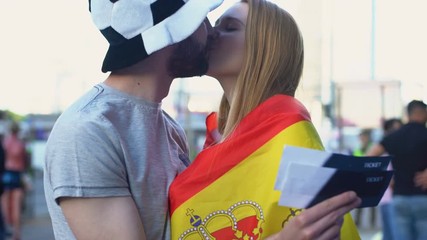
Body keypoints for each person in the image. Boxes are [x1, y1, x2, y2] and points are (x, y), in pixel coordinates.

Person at [169, 1, 360, 239]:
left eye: (230, 27)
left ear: (265, 48)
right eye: (215, 24)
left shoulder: (289, 130)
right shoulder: (215, 139)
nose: (210, 33)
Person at [44, 1, 223, 239]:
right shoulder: (88, 131)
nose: (210, 31)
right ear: (168, 34)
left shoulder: (171, 129)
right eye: (200, 19)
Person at [368, 100, 427, 240]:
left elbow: (369, 158)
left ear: (408, 114)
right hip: (424, 198)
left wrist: (386, 178)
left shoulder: (393, 136)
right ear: (424, 113)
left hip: (399, 197)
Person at [368, 118, 402, 240]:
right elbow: (368, 161)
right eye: (395, 129)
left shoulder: (397, 149)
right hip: (387, 199)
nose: (399, 132)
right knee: (391, 235)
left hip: (395, 198)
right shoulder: (382, 149)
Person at [2, 123, 26, 240]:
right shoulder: (21, 144)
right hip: (17, 174)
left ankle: (8, 231)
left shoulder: (5, 143)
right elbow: (24, 163)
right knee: (17, 206)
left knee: (5, 206)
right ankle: (17, 233)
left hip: (6, 174)